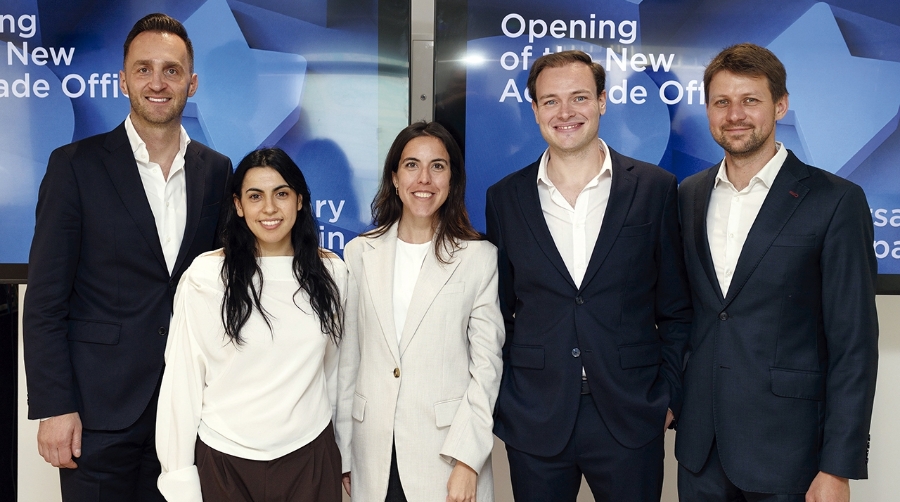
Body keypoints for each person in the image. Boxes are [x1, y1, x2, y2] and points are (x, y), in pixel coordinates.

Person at [22, 13, 232, 501]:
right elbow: (46, 301)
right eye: (144, 69)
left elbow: (226, 284)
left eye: (172, 70)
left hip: (187, 415)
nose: (157, 83)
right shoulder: (74, 167)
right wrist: (55, 407)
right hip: (96, 417)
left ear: (192, 82)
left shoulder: (217, 171)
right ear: (123, 79)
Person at [675, 43, 879, 502]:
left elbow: (854, 345)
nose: (735, 115)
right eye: (721, 102)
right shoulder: (689, 194)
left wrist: (837, 468)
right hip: (701, 451)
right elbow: (688, 314)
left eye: (751, 100)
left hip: (791, 457)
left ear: (780, 106)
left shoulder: (835, 200)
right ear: (707, 110)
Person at [484, 50, 692, 501]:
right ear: (535, 109)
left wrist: (669, 396)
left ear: (601, 101)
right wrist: (507, 400)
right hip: (536, 414)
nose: (565, 113)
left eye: (579, 97)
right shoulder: (504, 197)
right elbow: (498, 311)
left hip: (630, 413)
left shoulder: (655, 188)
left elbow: (676, 308)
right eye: (551, 101)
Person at [155, 148, 346, 501]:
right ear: (238, 205)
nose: (269, 208)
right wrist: (178, 477)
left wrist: (344, 454)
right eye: (255, 196)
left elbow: (334, 374)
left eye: (282, 194)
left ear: (300, 201)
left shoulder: (332, 273)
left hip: (310, 457)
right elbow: (182, 382)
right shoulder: (207, 277)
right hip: (224, 461)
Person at [336, 121, 504, 502]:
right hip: (372, 451)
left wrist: (467, 460)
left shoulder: (479, 258)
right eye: (411, 165)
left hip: (446, 454)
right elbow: (349, 361)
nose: (423, 178)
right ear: (394, 177)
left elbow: (487, 368)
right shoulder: (361, 253)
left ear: (453, 179)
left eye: (438, 166)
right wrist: (345, 451)